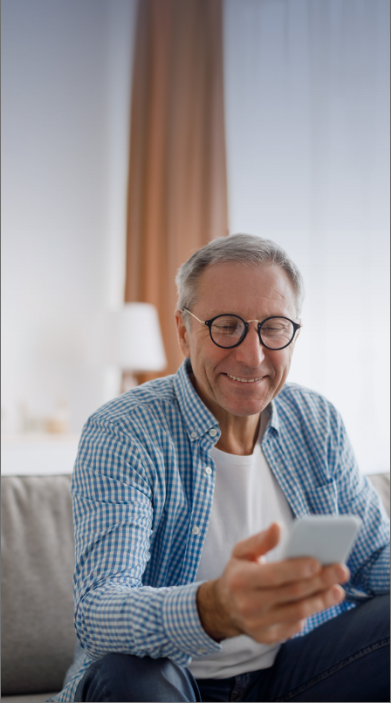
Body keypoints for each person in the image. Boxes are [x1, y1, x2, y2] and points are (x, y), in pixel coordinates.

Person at [53, 234, 389, 703]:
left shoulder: (317, 420)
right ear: (183, 330)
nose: (252, 356)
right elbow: (98, 609)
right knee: (128, 676)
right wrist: (216, 608)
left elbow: (375, 561)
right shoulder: (123, 431)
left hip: (294, 674)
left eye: (273, 327)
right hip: (175, 681)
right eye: (226, 326)